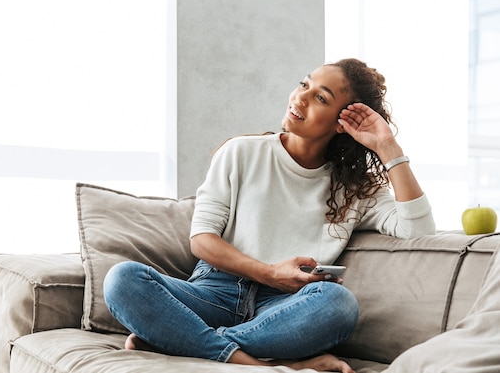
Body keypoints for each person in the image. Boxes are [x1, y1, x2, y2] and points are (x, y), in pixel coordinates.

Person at [103, 58, 435, 373]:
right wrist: (269, 272)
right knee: (123, 279)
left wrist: (388, 147)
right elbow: (202, 241)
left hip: (281, 308)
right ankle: (264, 366)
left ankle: (182, 340)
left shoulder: (355, 190)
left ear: (340, 123)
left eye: (320, 97)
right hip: (213, 292)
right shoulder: (241, 153)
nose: (299, 97)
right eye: (304, 83)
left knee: (338, 303)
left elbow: (418, 231)